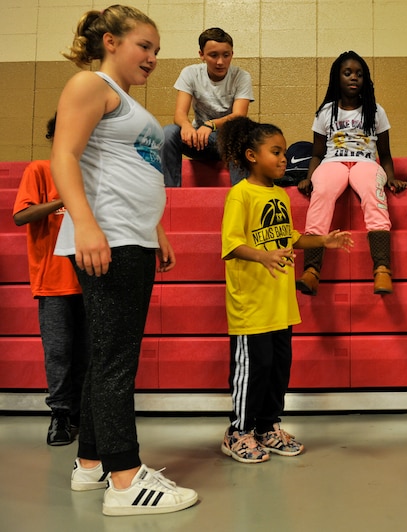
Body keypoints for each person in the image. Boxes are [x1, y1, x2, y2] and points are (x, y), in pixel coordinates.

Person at [50, 5, 198, 516]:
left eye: (157, 50)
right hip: (106, 238)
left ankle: (91, 462)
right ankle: (126, 479)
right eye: (144, 46)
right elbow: (64, 156)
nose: (153, 58)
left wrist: (155, 229)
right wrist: (87, 224)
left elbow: (134, 168)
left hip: (130, 237)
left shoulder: (125, 102)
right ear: (110, 41)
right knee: (117, 360)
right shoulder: (89, 85)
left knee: (105, 355)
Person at [218, 117, 353, 463]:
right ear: (251, 155)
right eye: (276, 152)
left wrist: (322, 239)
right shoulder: (240, 195)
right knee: (254, 369)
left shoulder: (279, 194)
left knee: (278, 368)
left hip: (281, 304)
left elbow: (291, 238)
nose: (283, 159)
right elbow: (231, 245)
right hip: (251, 306)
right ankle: (239, 432)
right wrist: (262, 256)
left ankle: (267, 426)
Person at [296, 50, 407, 296]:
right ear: (337, 78)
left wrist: (390, 177)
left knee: (372, 195)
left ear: (366, 80)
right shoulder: (325, 112)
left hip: (365, 162)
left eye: (359, 74)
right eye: (347, 73)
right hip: (332, 162)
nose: (353, 77)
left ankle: (382, 270)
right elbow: (316, 153)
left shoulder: (376, 111)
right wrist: (308, 176)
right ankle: (312, 271)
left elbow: (385, 152)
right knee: (322, 193)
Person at [13, 114, 87, 447]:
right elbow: (20, 215)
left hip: (91, 278)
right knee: (58, 353)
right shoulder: (39, 170)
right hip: (53, 281)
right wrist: (63, 199)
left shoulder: (92, 172)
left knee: (87, 352)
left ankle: (81, 415)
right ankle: (59, 414)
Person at [161, 27, 253, 187]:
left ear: (232, 54)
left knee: (242, 134)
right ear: (201, 55)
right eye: (213, 55)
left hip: (228, 142)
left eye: (226, 55)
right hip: (198, 141)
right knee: (168, 132)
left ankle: (241, 196)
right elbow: (179, 114)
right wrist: (186, 126)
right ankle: (170, 194)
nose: (220, 62)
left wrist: (210, 125)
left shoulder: (241, 76)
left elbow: (239, 116)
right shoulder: (190, 73)